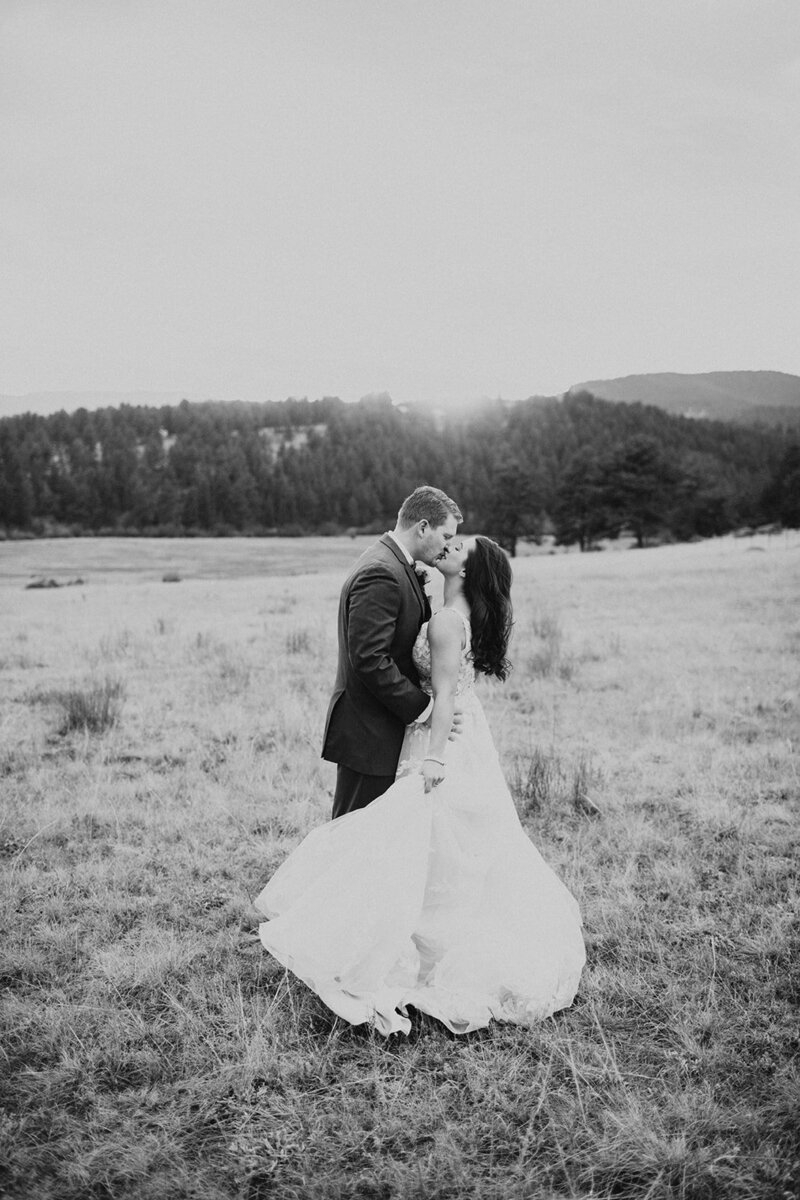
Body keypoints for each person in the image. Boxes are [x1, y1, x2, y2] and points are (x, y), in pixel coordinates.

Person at [255, 535, 585, 1036]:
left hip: (440, 736)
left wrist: (433, 756)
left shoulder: (451, 621)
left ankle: (411, 946)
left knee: (423, 833)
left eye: (460, 548)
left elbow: (446, 690)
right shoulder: (447, 606)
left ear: (471, 571)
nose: (450, 547)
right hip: (452, 727)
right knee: (436, 843)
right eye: (449, 539)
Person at [322, 485, 462, 820]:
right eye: (446, 535)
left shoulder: (393, 562)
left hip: (381, 730)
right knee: (353, 837)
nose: (447, 547)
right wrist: (425, 708)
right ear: (423, 527)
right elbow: (370, 659)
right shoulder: (382, 571)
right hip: (368, 733)